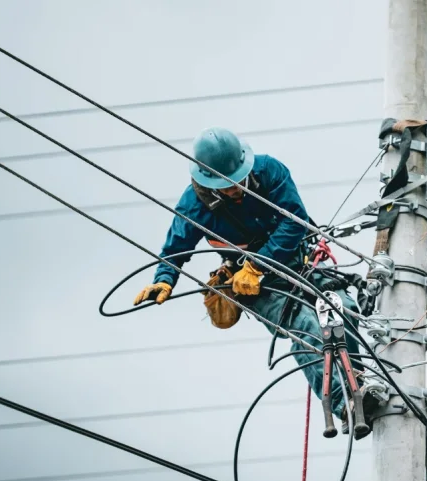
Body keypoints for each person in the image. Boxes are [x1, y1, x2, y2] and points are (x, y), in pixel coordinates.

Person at [132, 127, 372, 438]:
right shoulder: (194, 206)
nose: (238, 190)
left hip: (298, 263)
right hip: (255, 286)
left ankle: (360, 387)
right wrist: (164, 279)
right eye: (229, 186)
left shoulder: (269, 170)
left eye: (239, 181)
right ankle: (344, 406)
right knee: (304, 328)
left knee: (344, 309)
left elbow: (293, 220)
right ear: (210, 185)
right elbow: (175, 249)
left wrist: (257, 263)